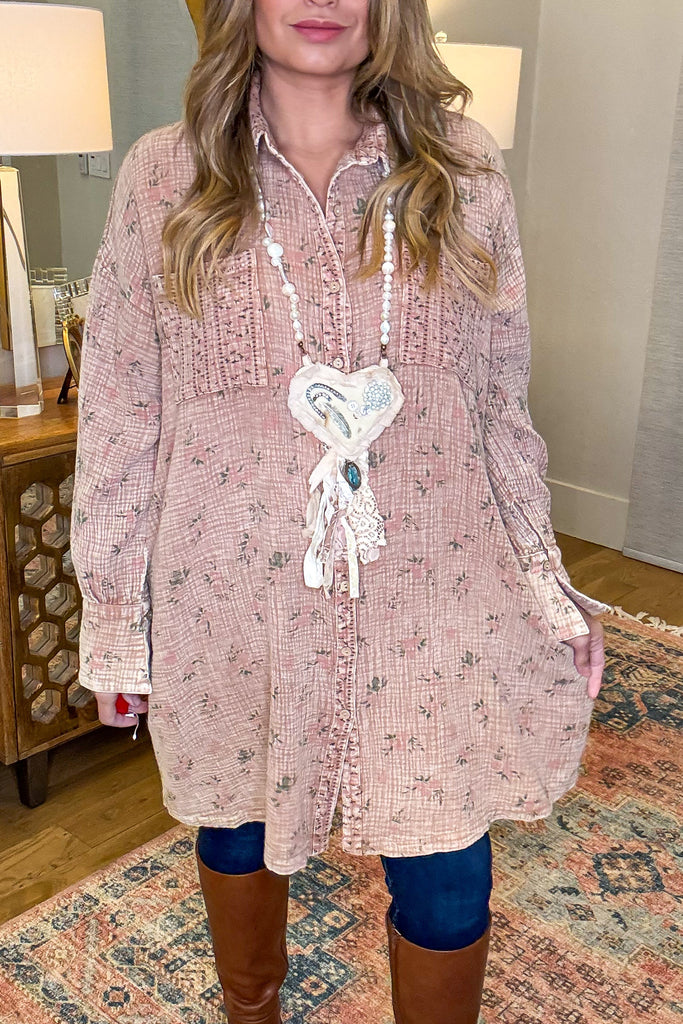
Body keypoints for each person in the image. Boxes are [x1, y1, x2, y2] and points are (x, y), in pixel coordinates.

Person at [71, 1, 613, 1021]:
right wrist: (114, 622)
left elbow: (498, 405)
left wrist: (547, 584)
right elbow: (119, 412)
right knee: (238, 823)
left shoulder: (461, 166)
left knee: (446, 860)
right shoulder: (161, 174)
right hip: (229, 593)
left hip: (433, 585)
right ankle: (252, 1007)